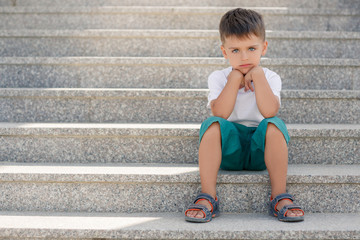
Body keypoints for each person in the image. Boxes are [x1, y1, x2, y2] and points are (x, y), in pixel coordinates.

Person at [184, 8, 304, 223]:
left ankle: (279, 196)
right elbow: (220, 113)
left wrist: (257, 76)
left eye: (251, 48)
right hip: (230, 149)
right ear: (224, 52)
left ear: (263, 48)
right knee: (212, 124)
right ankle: (208, 197)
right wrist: (234, 79)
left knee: (275, 124)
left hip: (260, 149)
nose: (245, 56)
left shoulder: (270, 76)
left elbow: (269, 111)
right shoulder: (218, 77)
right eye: (236, 50)